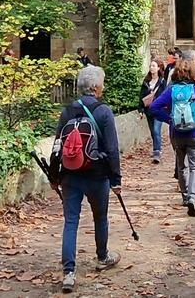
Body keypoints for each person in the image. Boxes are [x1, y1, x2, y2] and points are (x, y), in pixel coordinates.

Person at [50, 65, 122, 292]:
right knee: (100, 217)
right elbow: (112, 149)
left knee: (71, 221)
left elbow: (57, 146)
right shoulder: (103, 111)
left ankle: (69, 272)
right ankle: (102, 257)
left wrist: (54, 176)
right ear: (96, 87)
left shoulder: (67, 111)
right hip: (97, 175)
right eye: (102, 83)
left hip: (70, 175)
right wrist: (116, 179)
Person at [148, 56, 195, 216]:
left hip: (176, 133)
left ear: (176, 73)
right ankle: (193, 198)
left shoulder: (171, 90)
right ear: (193, 73)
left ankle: (184, 196)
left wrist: (168, 119)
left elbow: (154, 107)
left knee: (181, 165)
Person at [139, 58, 169, 163]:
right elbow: (141, 96)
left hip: (159, 109)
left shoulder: (162, 82)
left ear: (158, 68)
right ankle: (157, 147)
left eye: (153, 66)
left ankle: (157, 152)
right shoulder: (146, 81)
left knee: (156, 130)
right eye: (150, 66)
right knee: (153, 132)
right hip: (148, 110)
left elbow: (165, 95)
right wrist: (141, 109)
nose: (151, 68)